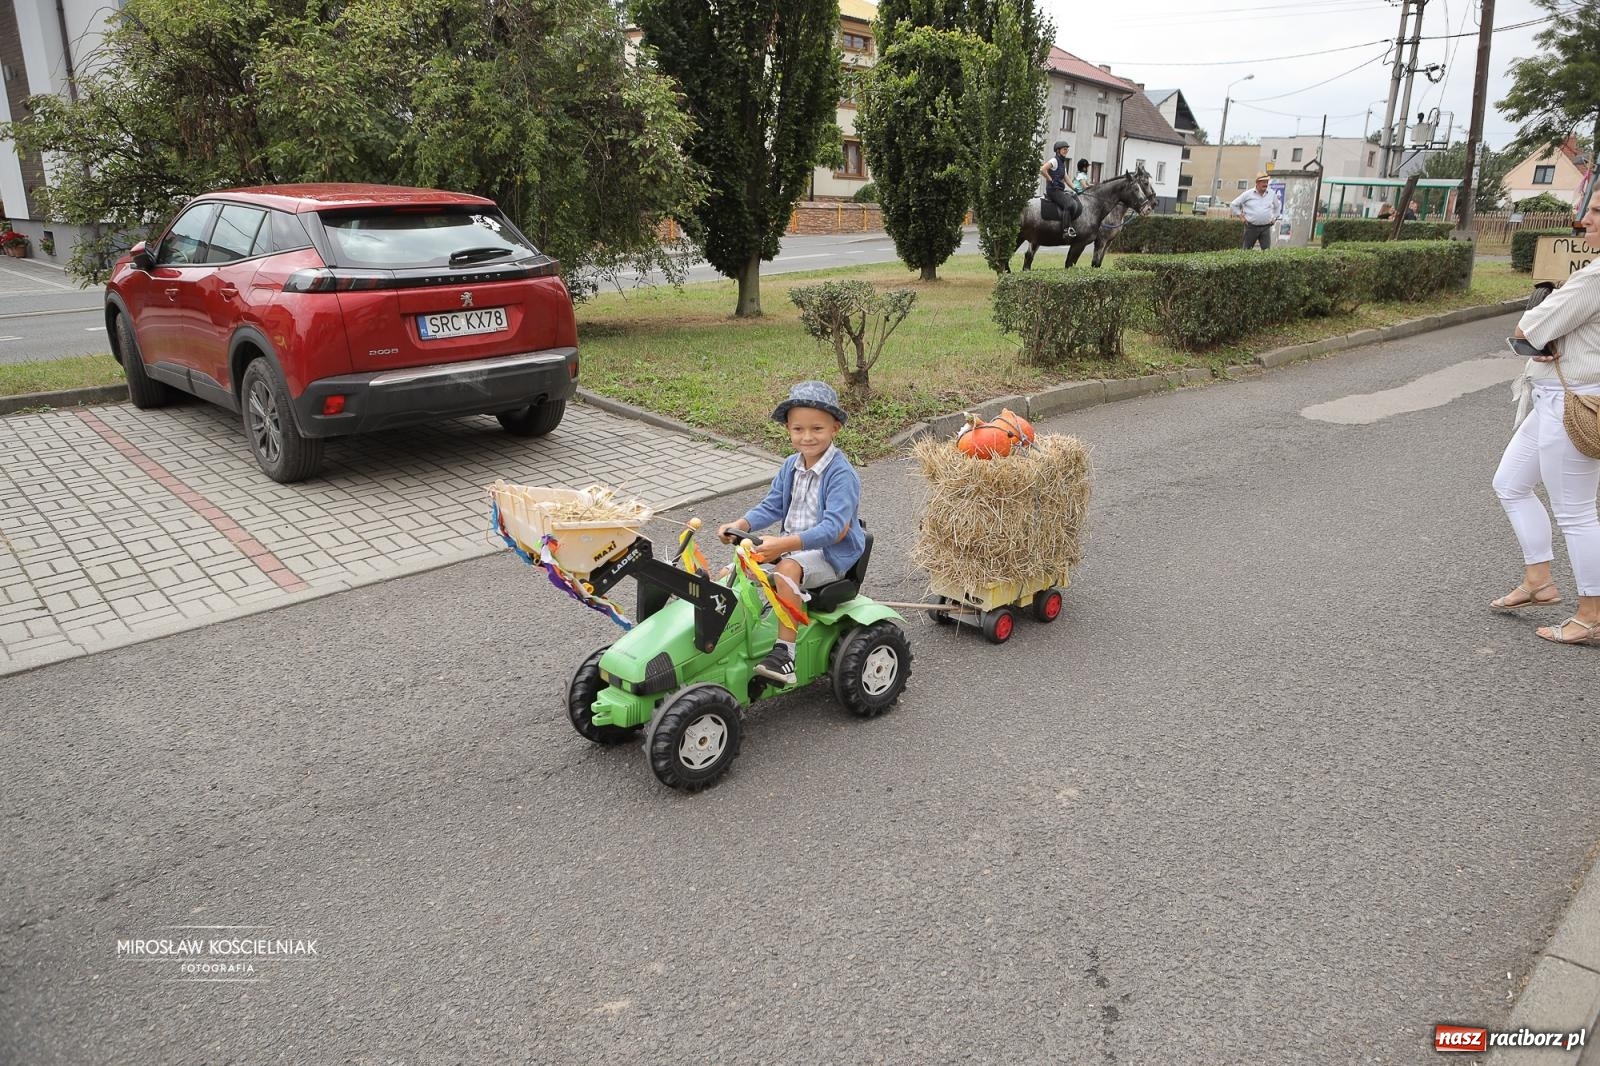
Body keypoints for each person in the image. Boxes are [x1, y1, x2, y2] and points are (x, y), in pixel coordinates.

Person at [1490, 199, 1600, 645]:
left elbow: (1528, 328)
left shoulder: (1594, 277)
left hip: (1574, 403)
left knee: (1575, 513)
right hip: (1556, 398)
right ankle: (1539, 579)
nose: (1585, 219)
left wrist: (1539, 331)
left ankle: (1591, 612)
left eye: (1596, 212)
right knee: (1510, 482)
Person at [719, 381, 866, 682]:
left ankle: (785, 654)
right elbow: (771, 506)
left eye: (817, 429)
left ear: (835, 428)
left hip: (829, 555)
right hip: (793, 547)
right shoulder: (790, 466)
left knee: (785, 569)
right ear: (788, 428)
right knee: (734, 568)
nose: (807, 437)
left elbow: (835, 530)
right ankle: (726, 634)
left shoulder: (841, 474)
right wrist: (741, 526)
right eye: (798, 429)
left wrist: (783, 544)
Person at [1039, 141, 1079, 237]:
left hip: (1059, 190)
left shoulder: (1062, 163)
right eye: (1064, 149)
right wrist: (1050, 179)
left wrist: (1075, 188)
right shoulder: (1054, 161)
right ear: (1058, 151)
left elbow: (1066, 178)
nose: (1066, 151)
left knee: (1073, 201)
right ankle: (1065, 230)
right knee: (1068, 204)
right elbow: (1042, 169)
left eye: (1067, 149)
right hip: (1053, 190)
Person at [1230, 173, 1280, 250]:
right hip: (1251, 227)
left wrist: (1274, 218)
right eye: (1263, 182)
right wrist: (1242, 218)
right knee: (1246, 250)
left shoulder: (1271, 194)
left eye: (1266, 182)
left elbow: (1277, 207)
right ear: (1257, 183)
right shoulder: (1248, 194)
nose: (1265, 184)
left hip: (1266, 227)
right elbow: (1233, 205)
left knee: (1266, 252)